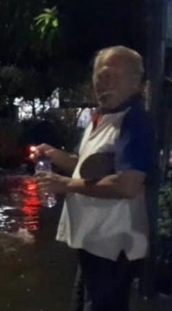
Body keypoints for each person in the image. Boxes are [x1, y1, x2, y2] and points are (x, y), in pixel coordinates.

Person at [31, 46, 158, 311]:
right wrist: (56, 156)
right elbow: (87, 168)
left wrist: (64, 184)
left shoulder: (134, 120)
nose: (103, 82)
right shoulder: (101, 118)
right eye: (99, 76)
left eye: (112, 76)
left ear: (136, 83)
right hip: (93, 240)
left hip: (113, 244)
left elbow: (127, 184)